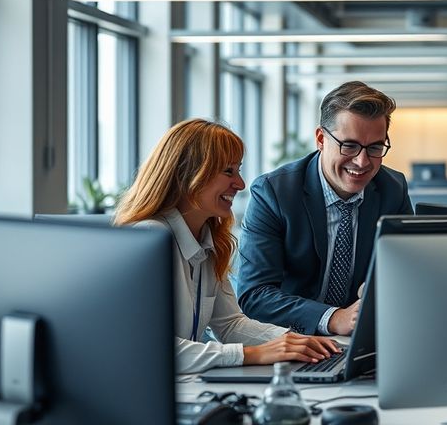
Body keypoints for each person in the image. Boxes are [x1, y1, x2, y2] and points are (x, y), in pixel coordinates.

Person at [113, 119, 340, 374]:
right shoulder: (150, 239)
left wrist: (294, 341)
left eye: (238, 170)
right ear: (188, 173)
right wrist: (252, 354)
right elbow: (149, 350)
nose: (241, 184)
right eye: (228, 171)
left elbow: (230, 324)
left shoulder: (209, 240)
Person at [237, 81, 413, 336]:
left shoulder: (392, 189)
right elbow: (255, 295)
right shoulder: (274, 193)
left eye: (374, 147)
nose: (362, 162)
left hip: (362, 340)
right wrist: (332, 318)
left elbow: (406, 273)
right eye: (349, 145)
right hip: (291, 340)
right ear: (321, 139)